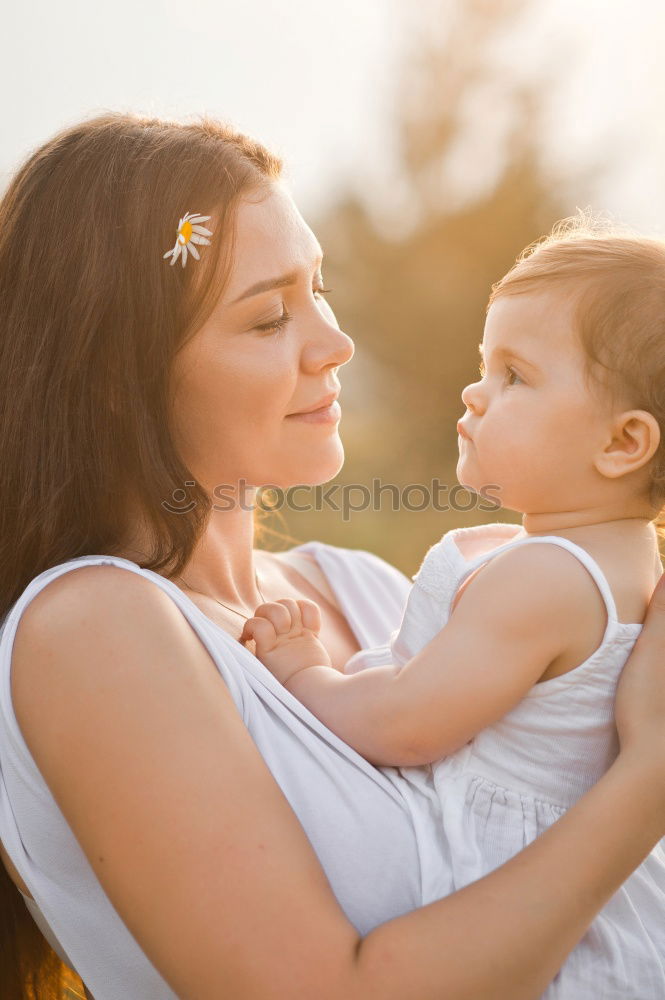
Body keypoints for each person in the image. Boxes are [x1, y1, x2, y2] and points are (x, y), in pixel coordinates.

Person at [0, 113, 665, 1000]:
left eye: (321, 289)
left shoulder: (371, 589)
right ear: (121, 380)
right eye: (270, 317)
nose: (333, 343)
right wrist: (649, 777)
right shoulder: (93, 630)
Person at [241, 218, 665, 996]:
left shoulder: (547, 577)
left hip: (508, 902)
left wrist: (306, 675)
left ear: (621, 443)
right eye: (483, 363)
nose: (475, 390)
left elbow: (406, 722)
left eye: (514, 375)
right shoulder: (615, 559)